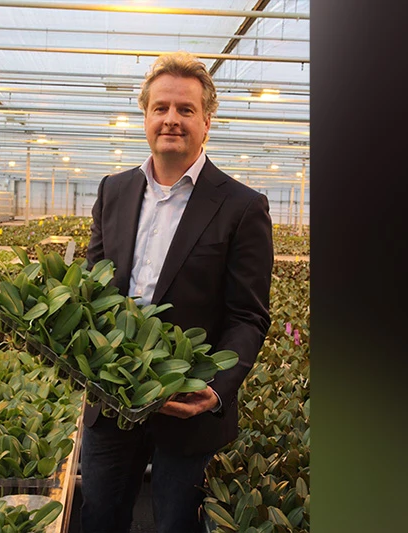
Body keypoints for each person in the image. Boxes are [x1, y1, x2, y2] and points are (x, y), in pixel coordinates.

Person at [82, 51, 274, 533]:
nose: (172, 119)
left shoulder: (242, 207)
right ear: (145, 116)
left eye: (185, 110)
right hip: (112, 401)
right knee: (100, 517)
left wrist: (214, 389)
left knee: (175, 524)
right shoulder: (114, 190)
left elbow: (247, 317)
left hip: (188, 407)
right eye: (161, 108)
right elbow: (92, 288)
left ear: (206, 121)